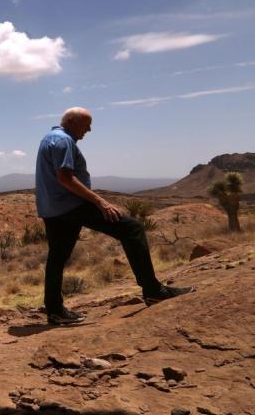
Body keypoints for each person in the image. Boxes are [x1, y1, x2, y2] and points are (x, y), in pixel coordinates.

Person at [35, 107, 194, 325]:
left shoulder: (49, 138)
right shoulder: (63, 141)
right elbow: (65, 178)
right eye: (86, 124)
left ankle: (54, 310)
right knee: (132, 229)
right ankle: (153, 290)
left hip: (52, 209)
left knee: (57, 257)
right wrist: (101, 202)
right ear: (71, 122)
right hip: (71, 205)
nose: (89, 129)